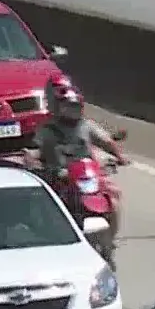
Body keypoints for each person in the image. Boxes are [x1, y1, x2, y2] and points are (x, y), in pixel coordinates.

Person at [27, 76, 128, 263]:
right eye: (67, 107)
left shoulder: (86, 126)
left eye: (75, 107)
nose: (72, 111)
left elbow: (106, 141)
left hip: (88, 176)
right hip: (61, 178)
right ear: (58, 107)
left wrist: (120, 157)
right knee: (53, 208)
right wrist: (31, 158)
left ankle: (110, 241)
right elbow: (35, 150)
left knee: (113, 199)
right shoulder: (47, 130)